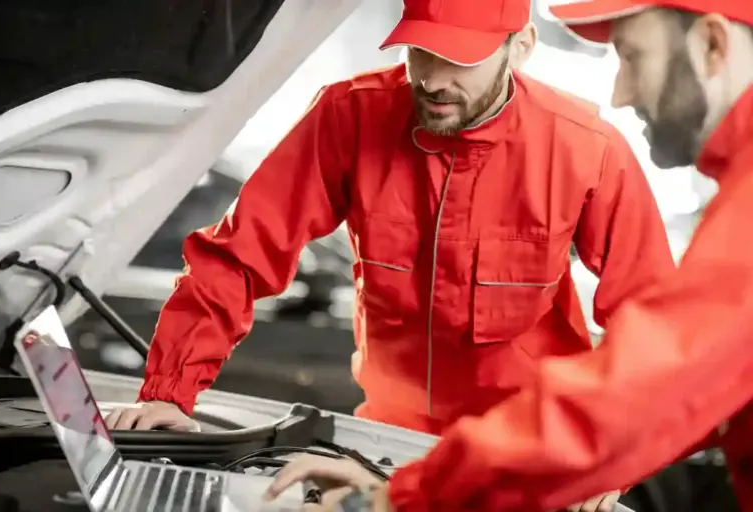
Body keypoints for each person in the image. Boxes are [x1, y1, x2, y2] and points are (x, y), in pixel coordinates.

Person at [107, 0, 674, 507]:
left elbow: (650, 319)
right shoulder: (348, 117)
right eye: (420, 52)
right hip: (389, 447)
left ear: (519, 49)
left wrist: (610, 457)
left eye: (461, 58)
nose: (432, 79)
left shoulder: (586, 150)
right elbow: (237, 256)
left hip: (530, 459)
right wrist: (169, 395)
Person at [263, 1, 753, 511]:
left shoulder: (726, 205)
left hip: (507, 468)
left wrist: (395, 501)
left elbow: (646, 386)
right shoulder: (353, 117)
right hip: (423, 449)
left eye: (632, 56)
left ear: (712, 45)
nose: (620, 93)